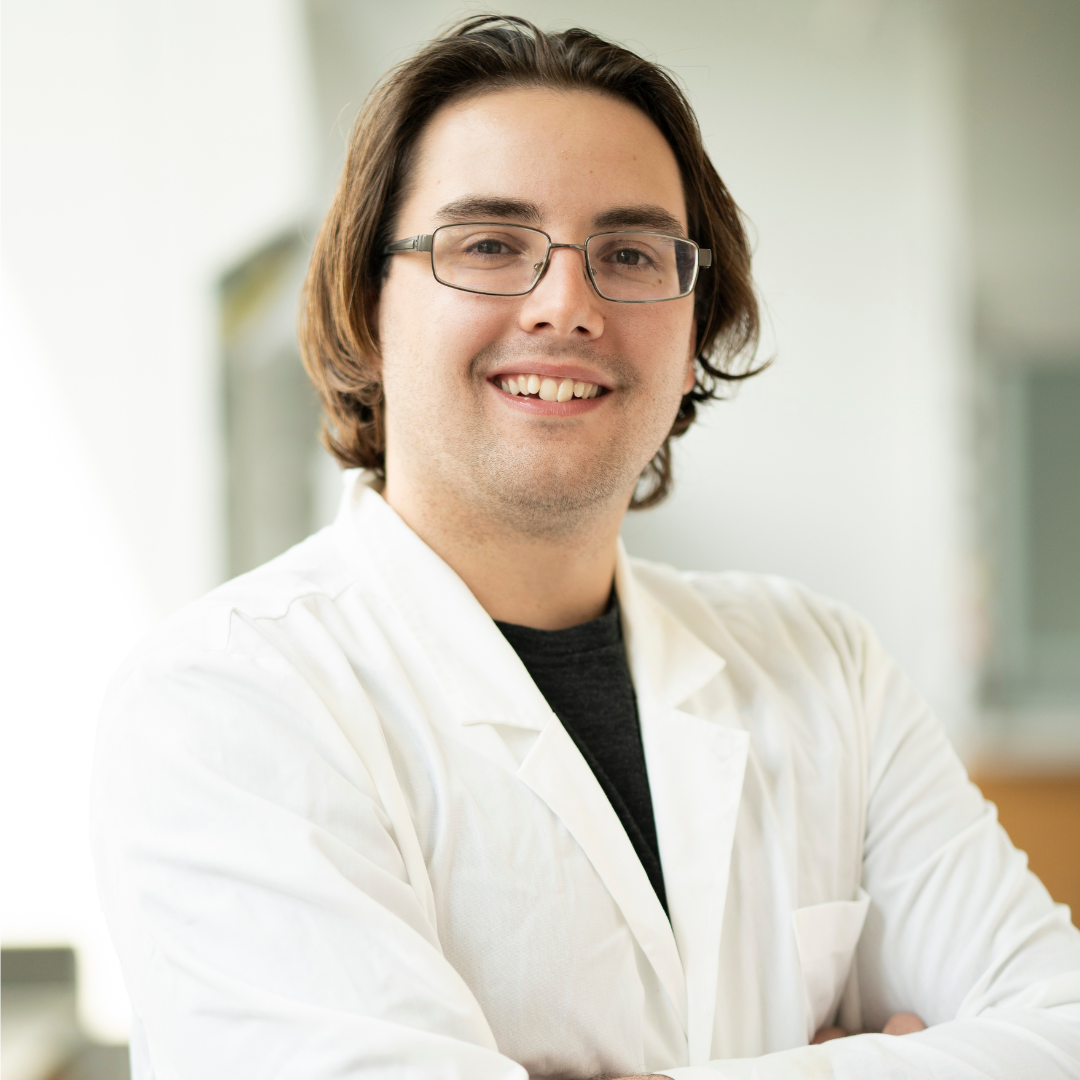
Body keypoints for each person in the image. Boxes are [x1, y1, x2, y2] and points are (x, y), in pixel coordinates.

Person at [91, 15, 1080, 1080]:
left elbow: (1061, 1030)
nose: (567, 303)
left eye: (629, 253)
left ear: (696, 328)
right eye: (488, 245)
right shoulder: (229, 697)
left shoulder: (823, 665)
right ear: (369, 302)